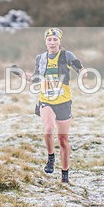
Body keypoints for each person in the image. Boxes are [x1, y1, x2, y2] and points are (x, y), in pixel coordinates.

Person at [12, 28, 85, 183]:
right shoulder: (41, 58)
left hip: (64, 102)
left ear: (59, 41)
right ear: (45, 42)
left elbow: (80, 69)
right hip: (46, 100)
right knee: (48, 128)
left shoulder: (66, 55)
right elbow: (36, 78)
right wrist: (20, 73)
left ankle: (65, 175)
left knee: (63, 141)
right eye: (49, 39)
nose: (52, 42)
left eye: (55, 39)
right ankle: (51, 158)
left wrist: (82, 73)